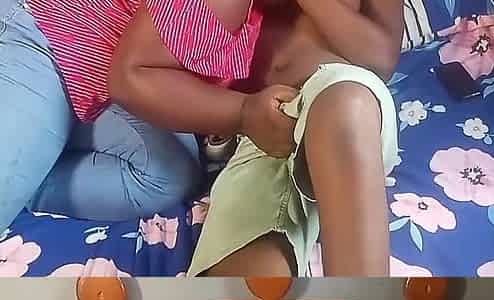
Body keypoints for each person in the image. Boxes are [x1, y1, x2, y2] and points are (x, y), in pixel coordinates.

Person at [0, 0, 297, 232]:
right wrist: (244, 114)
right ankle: (23, 166)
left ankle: (30, 175)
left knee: (170, 176)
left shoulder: (274, 19)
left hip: (101, 81)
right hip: (48, 34)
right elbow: (129, 78)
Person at [188, 0, 405, 277]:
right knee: (249, 279)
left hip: (340, 88)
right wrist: (242, 114)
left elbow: (381, 58)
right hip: (263, 123)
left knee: (345, 108)